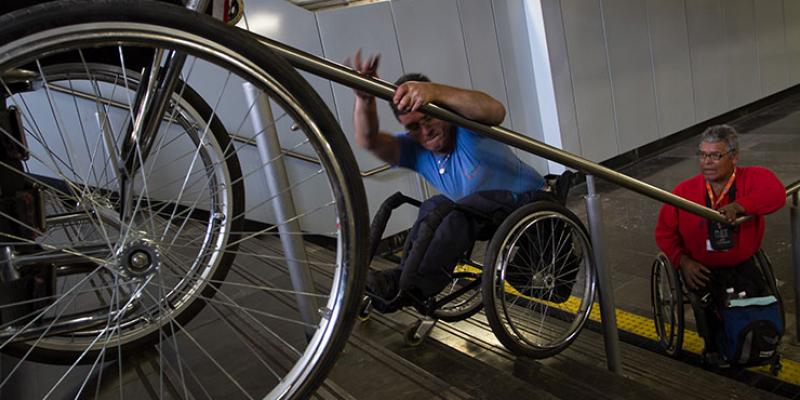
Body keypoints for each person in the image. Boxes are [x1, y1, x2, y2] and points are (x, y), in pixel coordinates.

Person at [346, 50, 563, 312]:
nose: (425, 130)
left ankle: (414, 286)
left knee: (458, 211)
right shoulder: (417, 150)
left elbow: (495, 110)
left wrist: (433, 92)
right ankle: (402, 280)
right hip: (487, 217)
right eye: (414, 126)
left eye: (429, 117)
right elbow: (369, 140)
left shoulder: (464, 128)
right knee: (433, 206)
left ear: (442, 110)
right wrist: (365, 101)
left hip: (531, 202)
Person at [654, 124, 785, 361]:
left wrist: (741, 205)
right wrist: (682, 261)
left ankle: (757, 342)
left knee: (756, 298)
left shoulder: (753, 178)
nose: (707, 162)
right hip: (701, 267)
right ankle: (715, 347)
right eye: (703, 155)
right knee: (708, 304)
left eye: (715, 155)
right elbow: (664, 233)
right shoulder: (684, 191)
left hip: (742, 261)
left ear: (734, 156)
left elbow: (776, 194)